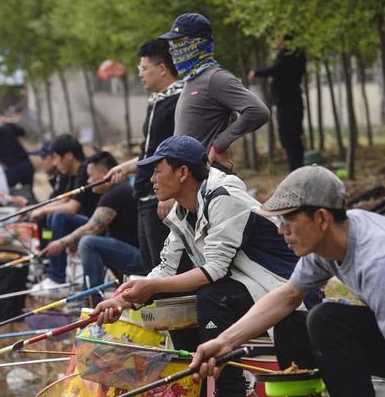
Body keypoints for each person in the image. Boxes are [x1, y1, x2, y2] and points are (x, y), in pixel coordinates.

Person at [190, 164, 385, 397]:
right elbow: (287, 296)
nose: (281, 230)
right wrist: (221, 343)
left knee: (327, 318)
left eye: (288, 220)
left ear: (321, 218)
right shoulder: (331, 240)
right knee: (290, 322)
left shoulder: (379, 259)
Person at [94, 135, 320, 397]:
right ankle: (196, 382)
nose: (151, 180)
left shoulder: (224, 196)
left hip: (279, 285)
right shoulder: (182, 210)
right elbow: (166, 269)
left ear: (182, 173)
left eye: (157, 172)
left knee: (212, 297)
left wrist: (152, 287)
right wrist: (122, 300)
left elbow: (214, 270)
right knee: (171, 298)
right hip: (244, 283)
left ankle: (230, 389)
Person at [106, 38, 186, 271]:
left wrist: (169, 196)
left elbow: (178, 151)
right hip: (143, 194)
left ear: (162, 68)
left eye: (143, 68)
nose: (140, 74)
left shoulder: (178, 101)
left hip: (159, 198)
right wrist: (126, 167)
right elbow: (150, 150)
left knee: (166, 270)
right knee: (150, 267)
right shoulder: (157, 101)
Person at [158, 13, 270, 171]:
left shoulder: (215, 78)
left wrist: (219, 144)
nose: (173, 50)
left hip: (210, 179)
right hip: (190, 181)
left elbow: (258, 111)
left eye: (179, 42)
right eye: (172, 44)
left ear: (199, 43)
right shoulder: (191, 80)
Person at [41, 152, 143, 303]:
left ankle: (91, 301)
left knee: (89, 242)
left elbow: (91, 228)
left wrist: (61, 243)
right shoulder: (117, 191)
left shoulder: (116, 193)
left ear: (104, 174)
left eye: (90, 176)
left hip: (141, 260)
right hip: (135, 254)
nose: (88, 181)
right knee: (89, 242)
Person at [29, 134, 101, 292]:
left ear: (68, 156)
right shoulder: (71, 175)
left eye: (55, 157)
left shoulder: (84, 171)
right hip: (84, 221)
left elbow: (72, 207)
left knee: (58, 217)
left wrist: (43, 209)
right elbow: (63, 200)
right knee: (48, 218)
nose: (54, 163)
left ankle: (57, 278)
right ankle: (49, 263)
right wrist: (38, 209)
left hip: (96, 225)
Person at [249, 36, 306, 171]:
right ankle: (296, 167)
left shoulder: (290, 56)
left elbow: (276, 69)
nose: (276, 43)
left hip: (288, 103)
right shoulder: (293, 55)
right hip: (288, 102)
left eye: (278, 39)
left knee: (290, 137)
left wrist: (256, 73)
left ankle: (296, 168)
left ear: (286, 41)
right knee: (291, 137)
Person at [0, 122, 35, 188]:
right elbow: (22, 132)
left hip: (11, 169)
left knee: (6, 193)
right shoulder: (8, 128)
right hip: (26, 165)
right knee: (29, 191)